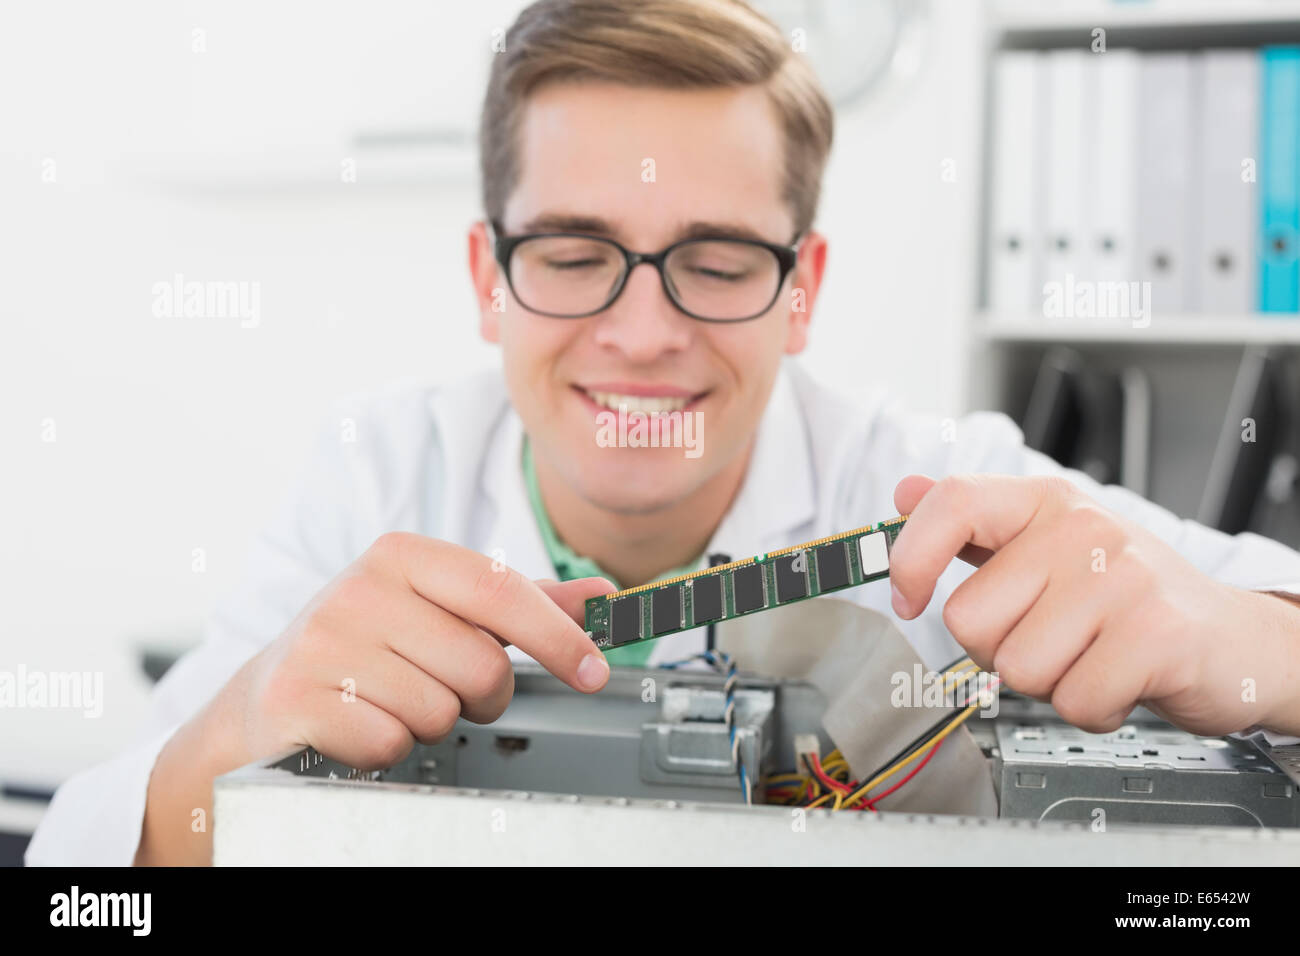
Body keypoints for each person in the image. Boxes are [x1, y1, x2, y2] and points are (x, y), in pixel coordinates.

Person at [28, 0, 1300, 866]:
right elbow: (85, 871)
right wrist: (235, 735)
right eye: (575, 253)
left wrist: (1233, 632)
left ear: (802, 288)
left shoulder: (949, 485)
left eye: (718, 258)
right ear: (487, 274)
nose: (642, 333)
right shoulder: (376, 473)